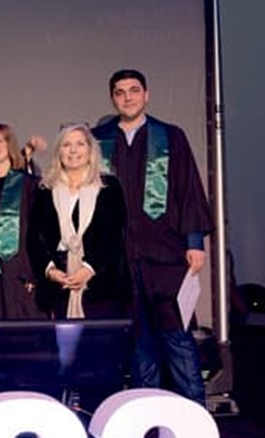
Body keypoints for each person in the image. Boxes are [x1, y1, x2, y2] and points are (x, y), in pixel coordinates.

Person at [92, 69, 214, 405]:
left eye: (134, 90)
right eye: (120, 92)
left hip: (166, 256)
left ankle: (194, 419)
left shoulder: (170, 136)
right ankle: (149, 420)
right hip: (120, 258)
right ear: (112, 98)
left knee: (176, 337)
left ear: (146, 95)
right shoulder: (98, 139)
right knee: (139, 342)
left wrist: (194, 243)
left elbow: (188, 189)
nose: (127, 97)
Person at [27, 123, 130, 320]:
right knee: (64, 349)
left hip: (101, 286)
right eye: (66, 145)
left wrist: (88, 270)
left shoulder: (109, 187)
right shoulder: (46, 188)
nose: (73, 150)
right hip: (59, 285)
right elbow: (35, 236)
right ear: (59, 152)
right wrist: (50, 271)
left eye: (80, 144)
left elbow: (114, 236)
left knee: (99, 349)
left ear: (90, 150)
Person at [0, 124, 44, 320]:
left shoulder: (30, 185)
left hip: (21, 274)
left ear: (9, 144)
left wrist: (34, 273)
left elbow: (39, 233)